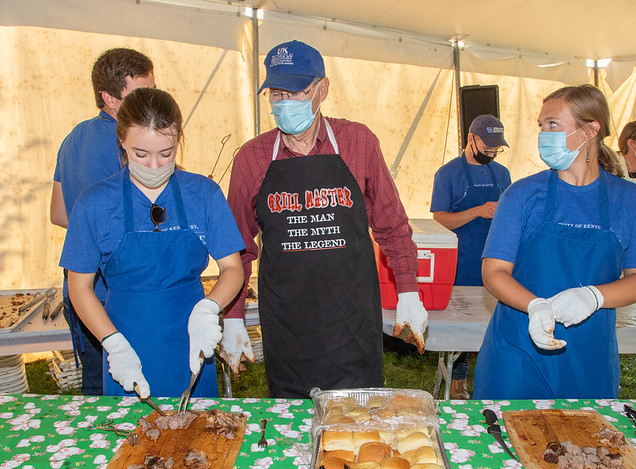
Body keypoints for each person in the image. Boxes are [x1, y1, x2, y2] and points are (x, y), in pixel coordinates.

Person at [224, 40, 427, 399]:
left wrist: (409, 292)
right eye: (276, 94)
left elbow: (392, 226)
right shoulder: (251, 158)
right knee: (294, 427)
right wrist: (234, 315)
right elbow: (238, 247)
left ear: (322, 89)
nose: (285, 103)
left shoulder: (358, 142)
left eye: (297, 91)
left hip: (351, 319)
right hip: (287, 321)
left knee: (357, 425)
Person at [473, 84, 636, 400]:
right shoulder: (521, 195)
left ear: (590, 130)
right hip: (518, 347)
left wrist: (593, 296)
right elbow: (494, 271)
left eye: (553, 125)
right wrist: (535, 306)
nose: (544, 134)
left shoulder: (629, 200)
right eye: (541, 126)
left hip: (589, 354)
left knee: (584, 446)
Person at [59, 87, 245, 398]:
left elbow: (232, 268)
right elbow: (79, 287)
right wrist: (113, 344)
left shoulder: (203, 194)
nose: (154, 167)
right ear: (122, 142)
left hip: (192, 340)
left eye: (166, 153)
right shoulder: (94, 203)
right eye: (140, 154)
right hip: (125, 342)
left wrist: (208, 309)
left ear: (179, 140)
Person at [50, 48, 156, 395]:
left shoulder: (72, 139)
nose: (149, 101)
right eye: (139, 95)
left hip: (79, 291)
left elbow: (60, 213)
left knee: (97, 391)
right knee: (132, 392)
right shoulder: (126, 143)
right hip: (112, 294)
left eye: (152, 91)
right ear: (108, 98)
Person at [430, 114, 511, 399]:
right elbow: (439, 219)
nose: (491, 153)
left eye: (495, 149)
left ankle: (497, 375)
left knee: (497, 321)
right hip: (462, 259)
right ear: (470, 138)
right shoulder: (448, 173)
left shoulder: (502, 174)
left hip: (496, 258)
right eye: (486, 147)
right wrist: (478, 211)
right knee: (461, 324)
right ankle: (458, 379)